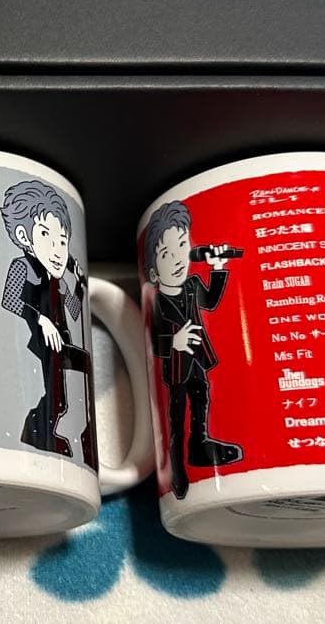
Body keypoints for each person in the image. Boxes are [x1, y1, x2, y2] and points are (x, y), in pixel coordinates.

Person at [143, 200, 242, 499]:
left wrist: (218, 267)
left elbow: (210, 302)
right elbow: (155, 338)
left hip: (197, 361)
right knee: (176, 415)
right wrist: (174, 341)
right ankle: (176, 467)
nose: (177, 260)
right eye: (166, 254)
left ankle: (199, 445)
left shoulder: (192, 285)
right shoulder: (157, 301)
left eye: (182, 246)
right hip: (176, 369)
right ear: (153, 273)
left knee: (202, 400)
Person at [0, 180, 96, 470]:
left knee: (80, 369)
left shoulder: (56, 279)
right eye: (46, 235)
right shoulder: (23, 267)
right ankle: (39, 433)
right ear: (24, 236)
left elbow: (75, 309)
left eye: (63, 241)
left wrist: (78, 285)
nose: (57, 250)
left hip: (60, 342)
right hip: (38, 344)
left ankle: (76, 431)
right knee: (54, 391)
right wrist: (41, 319)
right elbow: (10, 300)